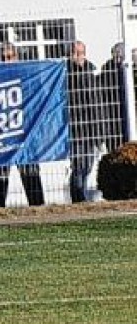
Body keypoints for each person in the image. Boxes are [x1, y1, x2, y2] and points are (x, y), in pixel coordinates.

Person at [0, 43, 45, 208]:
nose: (6, 61)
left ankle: (38, 209)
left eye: (10, 57)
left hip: (24, 134)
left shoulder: (27, 76)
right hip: (2, 135)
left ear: (17, 57)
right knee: (0, 178)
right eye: (3, 58)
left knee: (30, 175)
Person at [65, 40, 102, 203]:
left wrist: (99, 131)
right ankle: (77, 197)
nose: (77, 56)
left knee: (87, 166)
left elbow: (96, 102)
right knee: (78, 166)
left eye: (80, 53)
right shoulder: (66, 73)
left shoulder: (91, 72)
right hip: (75, 128)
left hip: (90, 127)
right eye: (75, 53)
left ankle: (82, 194)